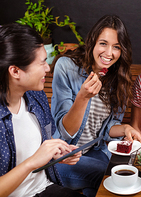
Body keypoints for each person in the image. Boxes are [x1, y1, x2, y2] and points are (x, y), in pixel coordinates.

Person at [51, 15, 141, 197]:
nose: (109, 53)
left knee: (116, 174)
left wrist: (126, 128)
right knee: (111, 175)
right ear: (92, 42)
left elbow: (107, 129)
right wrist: (83, 98)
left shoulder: (119, 79)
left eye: (116, 47)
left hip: (97, 151)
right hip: (65, 156)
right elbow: (64, 131)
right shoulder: (66, 67)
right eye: (103, 43)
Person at [0, 24, 84, 197]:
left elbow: (45, 141)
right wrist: (32, 162)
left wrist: (58, 153)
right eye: (42, 62)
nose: (47, 68)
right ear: (15, 71)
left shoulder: (36, 97)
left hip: (44, 188)